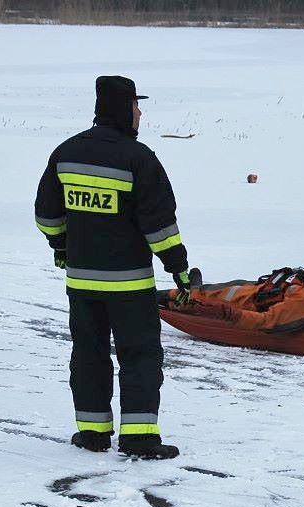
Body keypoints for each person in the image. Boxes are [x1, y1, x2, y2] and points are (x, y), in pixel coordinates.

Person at [34, 75, 193, 459]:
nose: (140, 114)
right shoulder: (139, 159)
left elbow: (46, 215)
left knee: (88, 355)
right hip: (129, 286)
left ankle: (92, 434)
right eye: (136, 107)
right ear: (123, 109)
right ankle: (139, 438)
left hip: (82, 284)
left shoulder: (66, 153)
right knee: (139, 355)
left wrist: (61, 245)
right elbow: (160, 226)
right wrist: (179, 268)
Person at [164, 244, 304, 333]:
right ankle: (197, 288)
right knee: (235, 283)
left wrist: (230, 314)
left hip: (252, 300)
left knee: (210, 295)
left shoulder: (302, 298)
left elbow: (266, 321)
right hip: (264, 288)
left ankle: (174, 296)